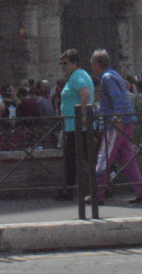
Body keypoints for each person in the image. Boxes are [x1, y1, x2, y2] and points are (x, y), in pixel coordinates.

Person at [90, 49, 142, 205]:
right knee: (127, 159)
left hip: (116, 124)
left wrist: (117, 120)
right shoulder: (114, 75)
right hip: (126, 122)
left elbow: (116, 98)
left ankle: (97, 194)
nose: (91, 67)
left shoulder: (107, 78)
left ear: (97, 65)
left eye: (92, 64)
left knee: (104, 157)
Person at [53, 49, 95, 201]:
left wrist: (81, 113)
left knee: (74, 159)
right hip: (75, 125)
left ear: (74, 63)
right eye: (61, 63)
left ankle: (70, 189)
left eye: (65, 63)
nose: (62, 66)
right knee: (86, 158)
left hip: (76, 126)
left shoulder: (77, 76)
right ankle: (100, 185)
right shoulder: (78, 75)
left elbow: (85, 94)